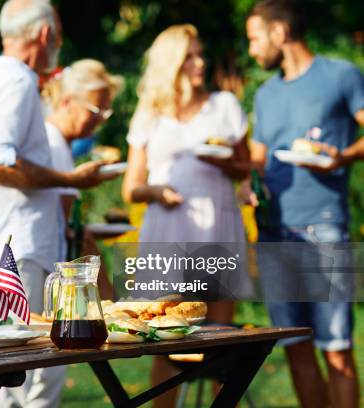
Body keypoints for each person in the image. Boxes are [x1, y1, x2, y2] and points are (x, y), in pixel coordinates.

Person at [0, 1, 117, 407]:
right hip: (15, 253)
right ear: (45, 35)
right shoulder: (18, 82)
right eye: (58, 33)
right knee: (14, 379)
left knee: (2, 375)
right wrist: (70, 179)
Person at [121, 24, 253, 407]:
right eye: (190, 57)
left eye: (200, 54)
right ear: (171, 64)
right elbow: (132, 187)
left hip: (218, 226)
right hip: (167, 229)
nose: (200, 63)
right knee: (165, 337)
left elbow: (245, 168)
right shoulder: (150, 113)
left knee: (219, 340)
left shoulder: (224, 105)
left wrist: (226, 162)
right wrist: (157, 191)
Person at [246, 1, 363, 407]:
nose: (251, 50)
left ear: (280, 33)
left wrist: (343, 157)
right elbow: (258, 157)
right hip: (275, 231)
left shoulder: (341, 75)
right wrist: (246, 180)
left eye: (255, 38)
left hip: (324, 226)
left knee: (336, 346)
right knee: (294, 345)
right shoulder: (265, 94)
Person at [42, 59, 123, 297]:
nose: (100, 120)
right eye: (95, 111)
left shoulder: (61, 145)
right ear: (67, 102)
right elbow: (68, 223)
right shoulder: (52, 144)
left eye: (106, 112)